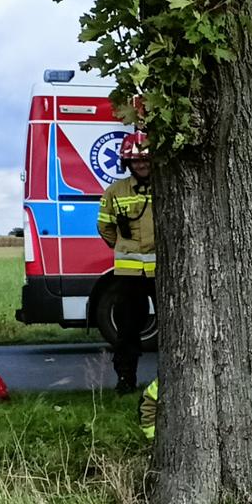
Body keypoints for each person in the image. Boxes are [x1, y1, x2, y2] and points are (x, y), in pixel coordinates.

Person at [97, 131, 156, 394]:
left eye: (145, 160)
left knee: (175, 328)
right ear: (127, 163)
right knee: (128, 330)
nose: (141, 165)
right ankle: (126, 380)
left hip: (161, 272)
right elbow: (105, 227)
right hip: (129, 274)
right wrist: (124, 248)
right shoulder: (115, 192)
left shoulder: (168, 187)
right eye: (136, 161)